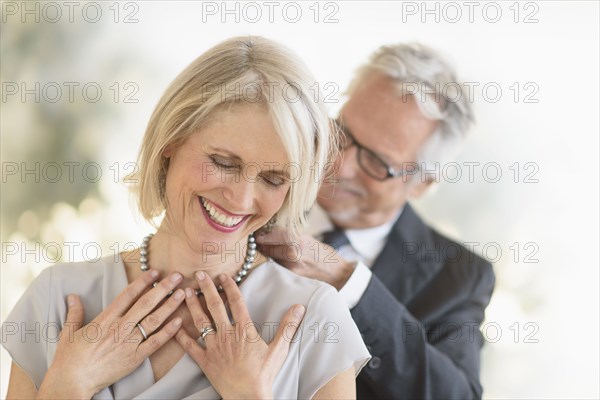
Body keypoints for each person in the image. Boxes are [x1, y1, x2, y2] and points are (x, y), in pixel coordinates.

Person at [1, 36, 370, 399]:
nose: (241, 199)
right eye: (223, 163)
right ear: (171, 141)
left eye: (274, 179)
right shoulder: (57, 298)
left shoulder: (317, 319)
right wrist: (66, 386)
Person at [257, 43, 496, 399]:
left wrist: (349, 283)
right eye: (343, 132)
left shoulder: (456, 276)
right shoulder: (261, 187)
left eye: (376, 162)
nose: (341, 165)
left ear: (422, 183)